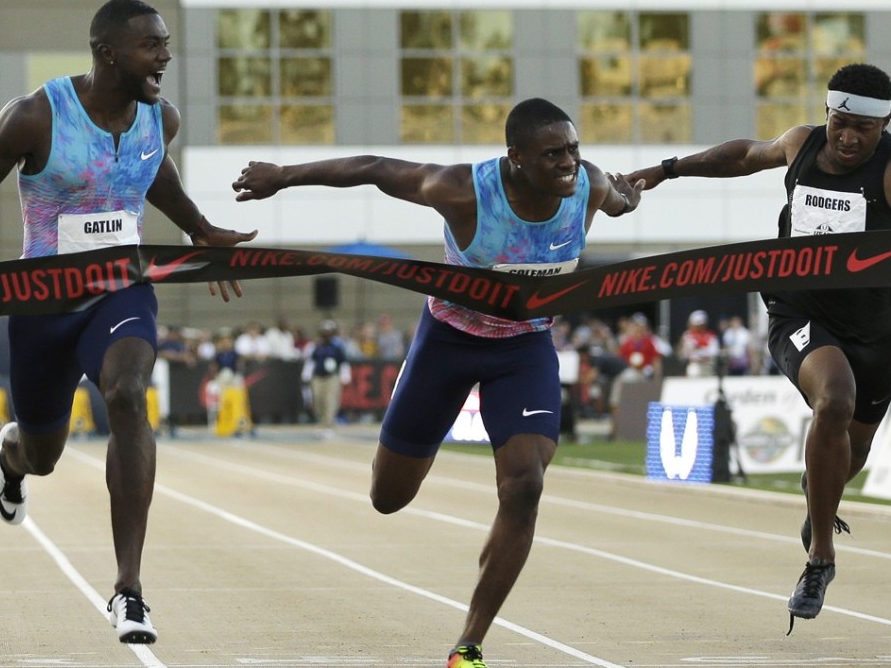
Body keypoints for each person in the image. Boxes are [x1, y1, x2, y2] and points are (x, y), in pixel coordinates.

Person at [0, 0, 257, 644]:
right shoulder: (33, 118)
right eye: (152, 44)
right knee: (44, 452)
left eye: (166, 42)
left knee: (129, 394)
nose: (165, 54)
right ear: (108, 52)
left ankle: (128, 591)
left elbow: (150, 172)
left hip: (120, 293)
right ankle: (14, 456)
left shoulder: (158, 118)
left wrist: (200, 230)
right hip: (42, 305)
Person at [232, 97, 643, 668]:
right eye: (553, 154)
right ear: (516, 157)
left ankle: (469, 645)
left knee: (524, 485)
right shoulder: (463, 190)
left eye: (574, 148)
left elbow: (618, 200)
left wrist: (628, 198)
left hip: (524, 348)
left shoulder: (587, 185)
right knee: (388, 498)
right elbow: (374, 169)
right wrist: (283, 177)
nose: (569, 163)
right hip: (447, 342)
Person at [625, 62, 891, 632]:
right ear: (828, 113)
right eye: (841, 123)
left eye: (863, 131)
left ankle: (818, 489)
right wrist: (667, 169)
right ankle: (820, 559)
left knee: (852, 453)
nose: (848, 138)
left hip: (872, 329)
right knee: (835, 401)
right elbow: (743, 156)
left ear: (885, 126)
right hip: (799, 314)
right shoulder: (801, 146)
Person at [301, 319, 352, 430]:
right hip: (318, 377)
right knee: (318, 399)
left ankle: (329, 422)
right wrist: (306, 375)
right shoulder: (317, 347)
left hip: (332, 377)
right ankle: (322, 419)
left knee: (331, 399)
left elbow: (343, 362)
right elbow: (311, 361)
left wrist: (345, 376)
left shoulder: (337, 347)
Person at [677, 309, 720, 377]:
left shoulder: (711, 336)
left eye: (701, 324)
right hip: (694, 365)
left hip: (708, 365)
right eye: (696, 324)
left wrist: (698, 351)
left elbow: (713, 353)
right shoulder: (687, 335)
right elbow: (685, 354)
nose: (699, 326)